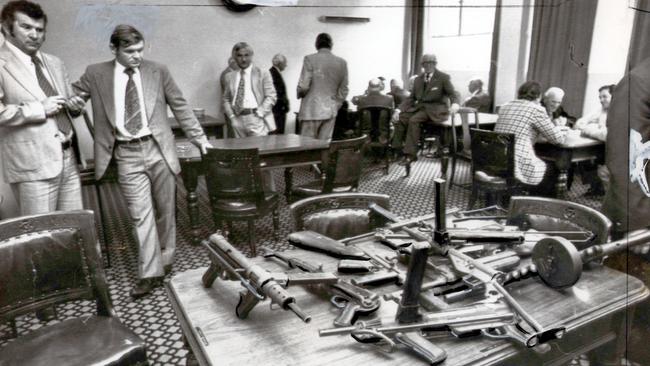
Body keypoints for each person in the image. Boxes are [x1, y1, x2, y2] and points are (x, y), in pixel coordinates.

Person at [70, 24, 212, 299]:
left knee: (166, 210)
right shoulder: (95, 73)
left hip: (158, 148)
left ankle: (166, 257)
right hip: (125, 153)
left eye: (140, 50)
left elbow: (180, 105)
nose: (137, 55)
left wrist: (199, 138)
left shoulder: (158, 70)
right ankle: (150, 272)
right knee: (140, 214)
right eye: (130, 51)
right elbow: (74, 96)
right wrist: (74, 102)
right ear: (114, 49)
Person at [0, 0, 84, 322]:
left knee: (69, 230)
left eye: (40, 29)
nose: (35, 35)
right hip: (32, 163)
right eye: (27, 27)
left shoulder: (53, 62)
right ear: (7, 27)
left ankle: (67, 289)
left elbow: (61, 105)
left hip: (66, 155)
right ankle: (43, 303)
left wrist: (72, 106)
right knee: (38, 235)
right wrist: (39, 109)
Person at [493, 81, 567, 194]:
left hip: (496, 157)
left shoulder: (504, 106)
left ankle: (511, 196)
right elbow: (558, 139)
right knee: (553, 167)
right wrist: (561, 128)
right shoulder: (536, 109)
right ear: (539, 96)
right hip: (515, 162)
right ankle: (536, 204)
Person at [392, 53, 460, 166]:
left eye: (430, 63)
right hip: (420, 108)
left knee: (414, 120)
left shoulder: (443, 77)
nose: (428, 66)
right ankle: (397, 150)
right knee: (401, 118)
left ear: (435, 64)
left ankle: (410, 155)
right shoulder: (418, 79)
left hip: (436, 110)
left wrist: (455, 104)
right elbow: (411, 98)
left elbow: (453, 94)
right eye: (425, 63)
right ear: (422, 65)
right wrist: (398, 110)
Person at [297, 33, 348, 141]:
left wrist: (299, 93)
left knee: (307, 146)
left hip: (311, 110)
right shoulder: (342, 63)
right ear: (331, 45)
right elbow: (344, 89)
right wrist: (336, 104)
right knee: (324, 146)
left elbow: (304, 86)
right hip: (330, 110)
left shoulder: (309, 59)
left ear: (316, 44)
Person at [222, 42, 276, 137]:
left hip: (256, 119)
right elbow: (226, 99)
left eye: (246, 55)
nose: (243, 59)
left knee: (259, 150)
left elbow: (271, 96)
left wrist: (260, 113)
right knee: (240, 151)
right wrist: (232, 117)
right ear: (235, 57)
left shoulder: (262, 73)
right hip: (237, 120)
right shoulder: (229, 76)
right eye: (239, 56)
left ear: (251, 56)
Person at [574, 84, 615, 196]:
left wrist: (588, 130)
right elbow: (579, 123)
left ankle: (601, 189)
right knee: (584, 159)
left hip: (615, 150)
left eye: (604, 96)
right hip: (601, 147)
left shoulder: (618, 112)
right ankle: (595, 187)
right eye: (600, 97)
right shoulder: (601, 110)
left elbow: (607, 135)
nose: (601, 100)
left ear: (613, 96)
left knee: (596, 163)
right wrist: (592, 127)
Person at [352, 78, 395, 144]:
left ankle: (365, 135)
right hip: (383, 131)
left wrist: (364, 95)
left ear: (369, 87)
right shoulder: (389, 98)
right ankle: (383, 136)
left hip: (366, 131)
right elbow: (392, 114)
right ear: (380, 87)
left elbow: (353, 100)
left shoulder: (361, 99)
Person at [269, 53, 289, 134]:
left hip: (276, 110)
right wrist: (285, 105)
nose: (286, 65)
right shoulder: (274, 73)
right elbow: (278, 93)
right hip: (278, 110)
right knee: (277, 135)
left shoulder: (272, 72)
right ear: (279, 63)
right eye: (285, 63)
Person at [220, 57, 238, 137]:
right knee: (232, 131)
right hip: (230, 107)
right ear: (233, 63)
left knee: (235, 131)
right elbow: (230, 92)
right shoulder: (226, 74)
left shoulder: (233, 73)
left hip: (234, 107)